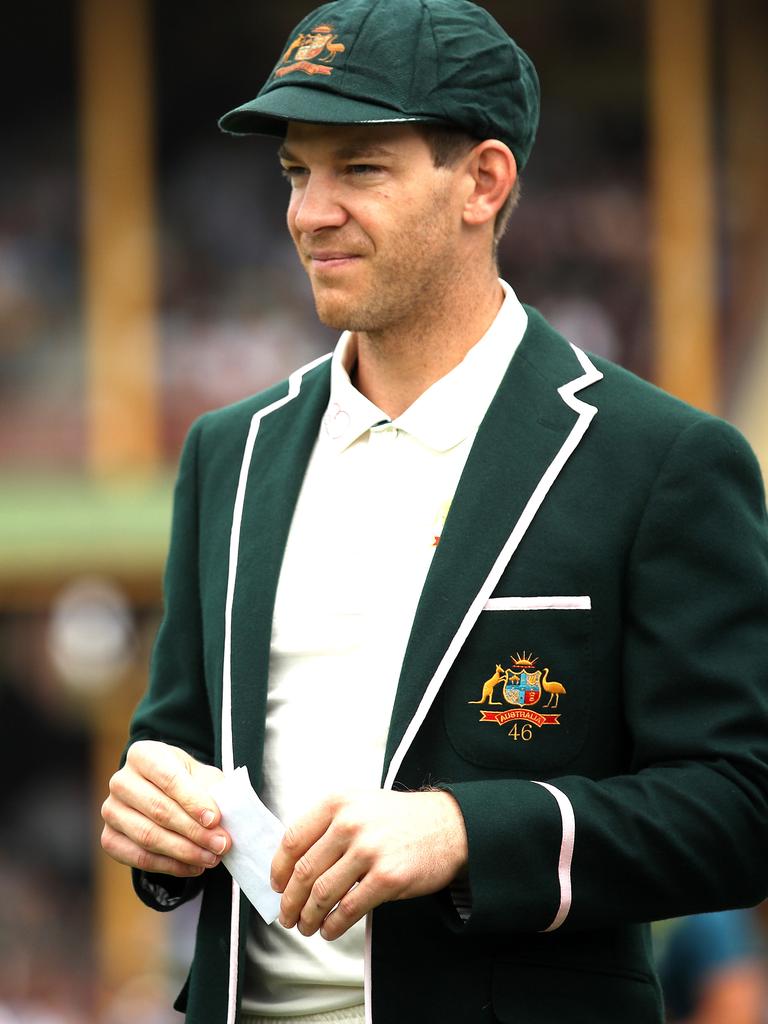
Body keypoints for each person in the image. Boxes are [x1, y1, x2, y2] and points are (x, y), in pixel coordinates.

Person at [100, 2, 768, 1023]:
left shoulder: (662, 459)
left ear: (485, 182)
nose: (309, 211)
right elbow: (178, 752)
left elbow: (740, 805)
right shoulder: (226, 453)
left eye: (359, 169)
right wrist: (154, 815)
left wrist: (462, 829)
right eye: (295, 172)